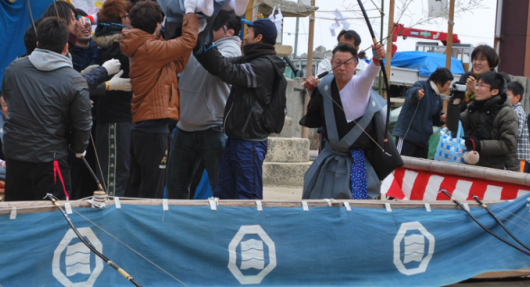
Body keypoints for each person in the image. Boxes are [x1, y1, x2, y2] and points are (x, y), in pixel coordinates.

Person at [1, 17, 94, 201]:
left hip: (15, 156)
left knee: (15, 214)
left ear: (37, 44)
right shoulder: (75, 79)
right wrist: (78, 149)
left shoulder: (14, 68)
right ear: (66, 47)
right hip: (51, 160)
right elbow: (83, 124)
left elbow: (8, 98)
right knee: (54, 218)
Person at [193, 18, 286, 199]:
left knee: (247, 197)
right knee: (224, 195)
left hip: (250, 143)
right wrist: (199, 46)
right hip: (236, 139)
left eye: (249, 32)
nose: (244, 37)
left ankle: (249, 228)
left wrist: (207, 44)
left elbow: (229, 72)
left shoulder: (264, 65)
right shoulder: (252, 59)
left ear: (259, 38)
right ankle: (229, 228)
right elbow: (219, 66)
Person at [300, 42, 402, 199]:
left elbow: (370, 74)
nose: (341, 68)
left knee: (356, 205)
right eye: (337, 63)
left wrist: (376, 59)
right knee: (316, 196)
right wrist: (311, 89)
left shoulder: (360, 86)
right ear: (331, 63)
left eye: (347, 63)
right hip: (329, 156)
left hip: (356, 161)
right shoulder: (326, 84)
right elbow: (322, 108)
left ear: (355, 65)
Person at [120, 0, 199, 198]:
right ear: (157, 24)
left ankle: (131, 226)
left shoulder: (144, 45)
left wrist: (190, 33)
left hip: (144, 128)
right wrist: (190, 15)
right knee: (152, 190)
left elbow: (177, 64)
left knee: (137, 187)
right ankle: (147, 227)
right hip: (153, 131)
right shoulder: (150, 47)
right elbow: (188, 41)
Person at [168, 15, 243, 199]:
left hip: (214, 127)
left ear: (230, 31)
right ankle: (176, 225)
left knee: (221, 188)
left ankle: (224, 226)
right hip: (184, 126)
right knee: (175, 188)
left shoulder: (231, 47)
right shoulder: (195, 42)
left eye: (216, 24)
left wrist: (201, 43)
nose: (210, 27)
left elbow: (218, 66)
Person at [92, 0, 134, 197]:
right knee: (113, 176)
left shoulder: (111, 43)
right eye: (128, 16)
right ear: (120, 20)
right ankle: (108, 220)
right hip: (113, 118)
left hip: (122, 117)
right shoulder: (116, 48)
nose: (131, 20)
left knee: (121, 172)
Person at [460, 72, 518, 170]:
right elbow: (454, 126)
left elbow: (509, 144)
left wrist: (479, 145)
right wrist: (455, 100)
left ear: (494, 91)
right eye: (477, 84)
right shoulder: (473, 107)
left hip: (498, 170)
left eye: (482, 85)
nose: (476, 88)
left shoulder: (507, 113)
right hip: (471, 165)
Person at [393, 68, 453, 159]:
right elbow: (411, 94)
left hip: (423, 141)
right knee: (399, 165)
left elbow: (434, 119)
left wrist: (441, 118)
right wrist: (417, 94)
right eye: (448, 84)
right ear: (440, 81)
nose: (449, 87)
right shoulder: (421, 86)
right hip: (407, 137)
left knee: (420, 170)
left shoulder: (438, 98)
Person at [507, 81, 530, 172]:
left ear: (517, 97)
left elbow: (516, 133)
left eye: (508, 95)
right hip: (514, 156)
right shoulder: (511, 110)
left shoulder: (518, 112)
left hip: (519, 156)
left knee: (516, 179)